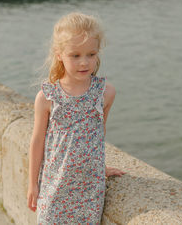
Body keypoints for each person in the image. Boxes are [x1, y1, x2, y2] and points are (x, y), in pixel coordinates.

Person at [27, 12, 125, 224]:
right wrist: (33, 183)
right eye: (75, 55)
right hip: (55, 186)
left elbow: (99, 133)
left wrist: (100, 167)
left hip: (89, 189)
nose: (84, 63)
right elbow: (37, 142)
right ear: (59, 54)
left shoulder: (105, 93)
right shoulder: (47, 97)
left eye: (91, 54)